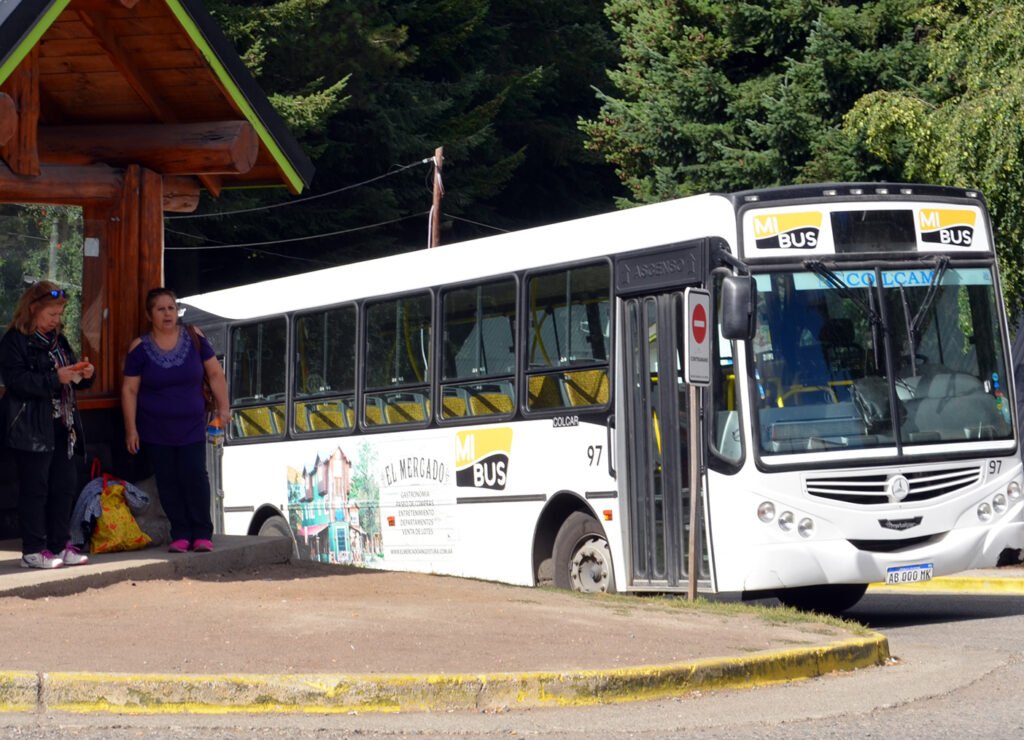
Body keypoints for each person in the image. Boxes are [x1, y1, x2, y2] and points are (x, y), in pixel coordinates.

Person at [121, 288, 229, 553]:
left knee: (194, 475)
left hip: (192, 425)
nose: (168, 314)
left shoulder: (194, 337)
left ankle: (202, 532)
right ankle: (180, 533)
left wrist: (223, 408)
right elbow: (129, 390)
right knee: (168, 480)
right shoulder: (140, 348)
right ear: (150, 315)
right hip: (155, 428)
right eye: (161, 309)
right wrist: (131, 428)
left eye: (171, 308)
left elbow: (215, 374)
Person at [0, 281, 95, 569]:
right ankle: (33, 549)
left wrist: (84, 373)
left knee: (63, 486)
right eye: (51, 314)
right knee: (35, 488)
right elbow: (17, 382)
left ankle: (59, 544)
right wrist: (57, 379)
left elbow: (70, 374)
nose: (56, 320)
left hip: (62, 425)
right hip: (30, 426)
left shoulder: (59, 341)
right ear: (33, 309)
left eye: (59, 314)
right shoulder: (14, 341)